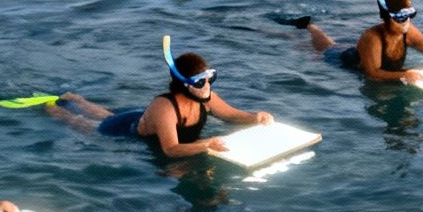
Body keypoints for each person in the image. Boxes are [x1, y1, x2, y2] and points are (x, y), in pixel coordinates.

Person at [51, 49, 273, 157]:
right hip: (121, 130)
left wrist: (255, 117)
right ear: (184, 84)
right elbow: (170, 149)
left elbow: (231, 115)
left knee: (104, 112)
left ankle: (76, 98)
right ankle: (51, 106)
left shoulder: (205, 97)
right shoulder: (165, 107)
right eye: (199, 82)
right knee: (79, 121)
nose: (206, 86)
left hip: (142, 117)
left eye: (210, 78)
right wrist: (205, 145)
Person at [286, 0, 423, 85]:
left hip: (364, 56)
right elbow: (372, 74)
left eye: (410, 16)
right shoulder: (373, 38)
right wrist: (403, 75)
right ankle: (308, 25)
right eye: (400, 17)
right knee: (324, 45)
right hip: (338, 59)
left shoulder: (408, 31)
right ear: (386, 17)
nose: (406, 22)